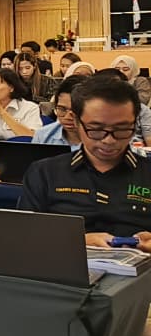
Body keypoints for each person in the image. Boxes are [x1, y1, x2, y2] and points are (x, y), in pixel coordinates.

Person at [20, 77, 151, 247]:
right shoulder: (44, 173)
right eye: (96, 129)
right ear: (76, 122)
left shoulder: (147, 173)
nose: (109, 140)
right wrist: (78, 241)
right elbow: (24, 238)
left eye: (122, 129)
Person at [31, 76, 83, 149]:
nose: (68, 117)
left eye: (75, 110)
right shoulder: (42, 135)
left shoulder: (98, 140)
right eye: (62, 109)